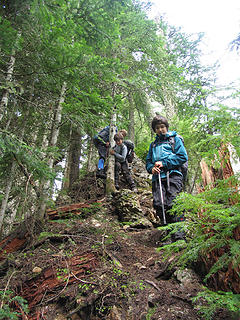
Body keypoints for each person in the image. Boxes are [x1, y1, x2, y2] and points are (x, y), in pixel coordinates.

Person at [146, 115, 188, 241]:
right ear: (154, 130)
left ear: (167, 127)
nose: (160, 130)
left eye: (162, 127)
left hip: (173, 176)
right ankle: (168, 235)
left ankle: (179, 238)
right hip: (158, 178)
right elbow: (148, 161)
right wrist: (151, 168)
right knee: (159, 204)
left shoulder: (175, 140)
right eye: (157, 128)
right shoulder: (153, 145)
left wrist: (164, 163)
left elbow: (182, 157)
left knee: (173, 204)